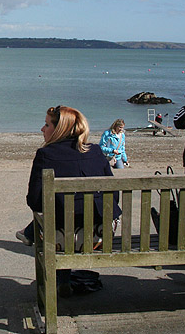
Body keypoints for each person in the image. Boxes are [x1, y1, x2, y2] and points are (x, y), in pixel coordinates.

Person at [16, 106, 121, 297]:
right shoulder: (96, 151)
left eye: (47, 124)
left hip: (62, 237)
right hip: (101, 233)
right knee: (68, 214)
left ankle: (32, 236)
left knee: (57, 219)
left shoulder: (45, 155)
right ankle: (63, 279)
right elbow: (113, 195)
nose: (42, 129)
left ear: (59, 130)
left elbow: (35, 201)